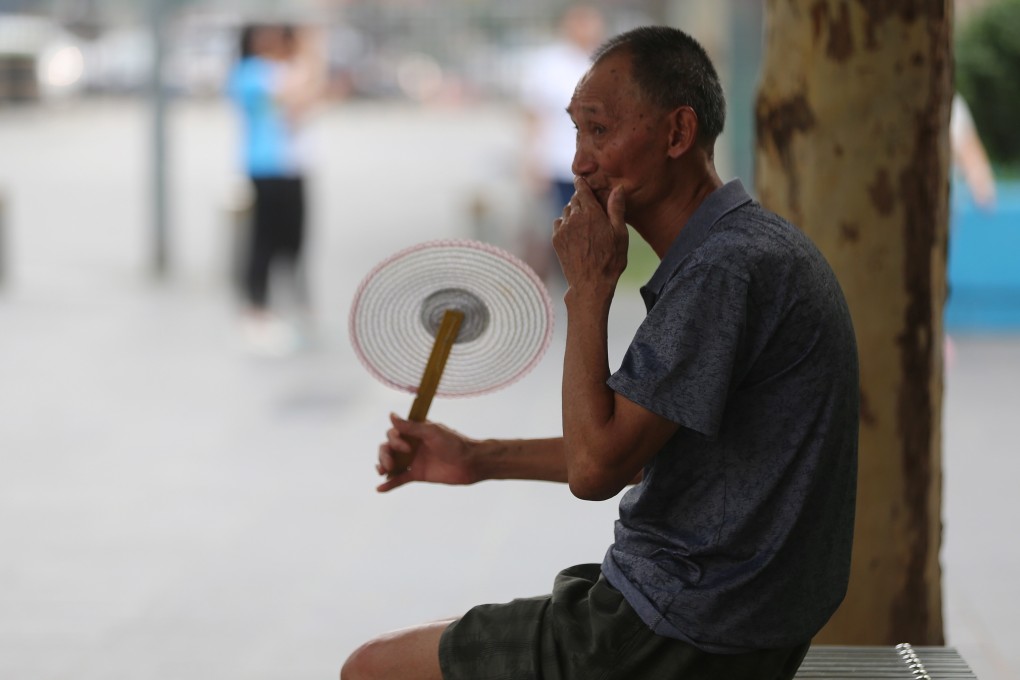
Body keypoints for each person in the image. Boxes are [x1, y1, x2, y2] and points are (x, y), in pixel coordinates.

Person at [341, 25, 859, 680]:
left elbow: (597, 471)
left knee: (370, 669)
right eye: (576, 133)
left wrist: (589, 291)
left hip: (682, 628)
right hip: (730, 618)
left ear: (677, 134)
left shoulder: (724, 270)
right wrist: (477, 459)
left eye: (600, 131)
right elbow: (644, 452)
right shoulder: (743, 247)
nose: (581, 162)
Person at [227, 23, 324, 355]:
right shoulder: (251, 72)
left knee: (294, 239)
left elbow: (303, 105)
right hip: (266, 168)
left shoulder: (279, 70)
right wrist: (311, 51)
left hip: (292, 167)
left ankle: (289, 306)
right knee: (263, 240)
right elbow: (297, 95)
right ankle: (255, 308)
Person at [518, 4, 606, 283]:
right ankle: (563, 278)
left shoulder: (606, 63)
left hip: (599, 163)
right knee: (561, 223)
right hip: (559, 160)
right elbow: (534, 114)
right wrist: (533, 158)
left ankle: (586, 277)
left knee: (594, 224)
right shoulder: (549, 65)